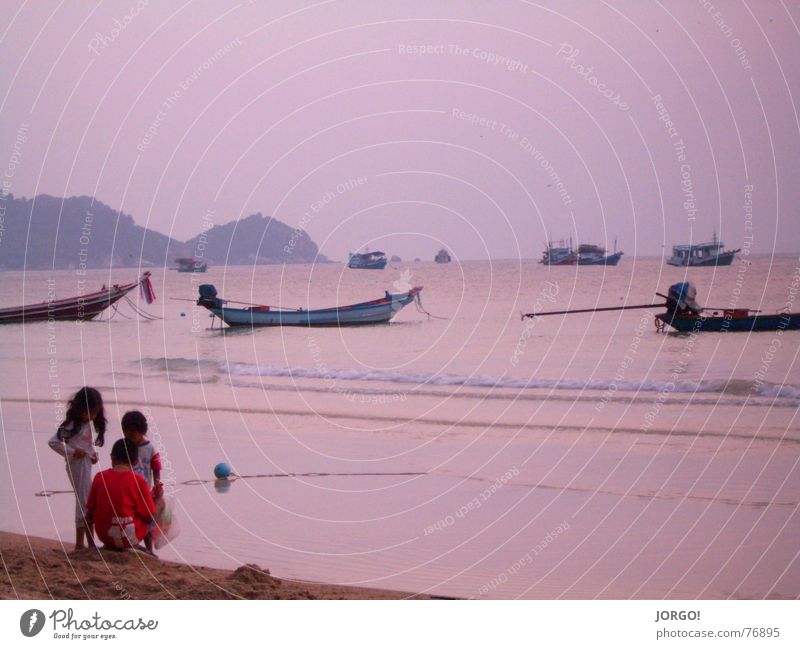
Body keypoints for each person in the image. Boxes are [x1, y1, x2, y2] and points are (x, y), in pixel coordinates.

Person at [48, 387, 106, 550]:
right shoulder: (73, 425)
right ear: (81, 409)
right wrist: (73, 452)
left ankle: (83, 543)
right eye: (90, 413)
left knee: (84, 502)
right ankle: (86, 543)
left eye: (95, 414)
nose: (93, 417)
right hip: (76, 465)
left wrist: (92, 454)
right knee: (85, 503)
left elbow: (86, 444)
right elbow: (53, 442)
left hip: (85, 464)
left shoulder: (86, 423)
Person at [85, 438, 156, 552]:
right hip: (130, 538)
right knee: (148, 513)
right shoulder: (139, 481)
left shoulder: (99, 477)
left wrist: (91, 547)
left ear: (112, 457)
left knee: (90, 514)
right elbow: (149, 515)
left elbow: (89, 516)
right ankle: (149, 550)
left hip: (105, 536)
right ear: (135, 462)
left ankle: (92, 545)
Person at [121, 410, 162, 553]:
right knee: (130, 518)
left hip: (144, 490)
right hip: (128, 489)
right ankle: (132, 543)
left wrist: (157, 484)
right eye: (126, 434)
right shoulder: (126, 446)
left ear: (141, 431)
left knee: (147, 519)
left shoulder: (150, 448)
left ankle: (149, 548)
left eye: (132, 435)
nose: (129, 438)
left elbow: (156, 467)